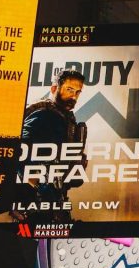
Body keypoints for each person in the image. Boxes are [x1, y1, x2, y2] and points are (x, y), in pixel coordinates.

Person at [17, 68, 88, 224]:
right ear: (55, 88)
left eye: (77, 92)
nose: (73, 96)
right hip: (40, 200)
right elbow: (20, 150)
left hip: (56, 198)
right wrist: (36, 187)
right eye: (69, 89)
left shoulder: (65, 118)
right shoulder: (43, 114)